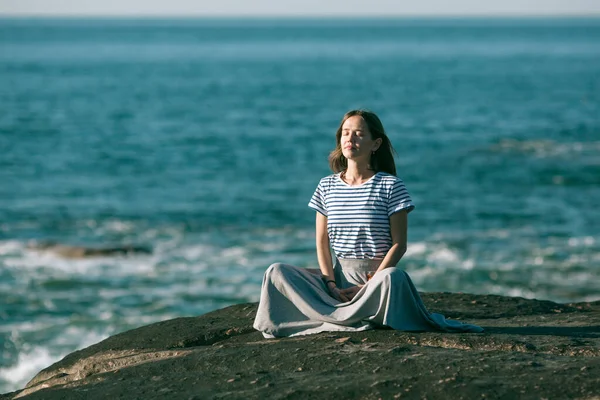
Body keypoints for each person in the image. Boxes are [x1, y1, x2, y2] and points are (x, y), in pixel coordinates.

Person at [253, 110, 483, 338]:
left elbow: (399, 244)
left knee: (395, 277)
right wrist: (331, 284)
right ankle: (344, 315)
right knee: (276, 272)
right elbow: (322, 243)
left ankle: (338, 316)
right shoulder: (326, 186)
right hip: (337, 282)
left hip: (378, 282)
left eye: (359, 134)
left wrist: (369, 286)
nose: (350, 139)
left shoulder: (391, 186)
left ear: (375, 144)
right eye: (345, 133)